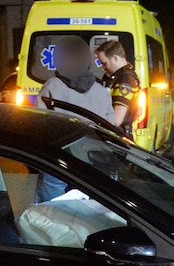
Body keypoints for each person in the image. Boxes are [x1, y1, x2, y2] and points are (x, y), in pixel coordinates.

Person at [34, 35, 115, 202]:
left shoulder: (52, 86)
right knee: (88, 206)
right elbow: (110, 125)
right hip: (93, 158)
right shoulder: (101, 91)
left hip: (60, 156)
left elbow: (37, 121)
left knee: (50, 205)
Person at [95, 39, 141, 136]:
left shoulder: (126, 80)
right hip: (113, 134)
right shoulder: (116, 77)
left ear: (115, 58)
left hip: (118, 136)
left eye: (104, 63)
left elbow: (116, 120)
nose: (103, 67)